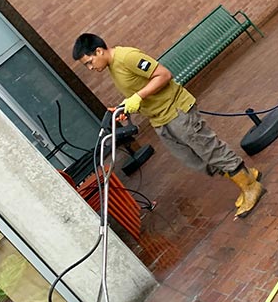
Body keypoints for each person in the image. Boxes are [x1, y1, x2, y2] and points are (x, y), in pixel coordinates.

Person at [72, 33, 265, 220]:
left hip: (176, 111)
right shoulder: (113, 67)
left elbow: (163, 74)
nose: (90, 68)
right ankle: (246, 175)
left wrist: (138, 97)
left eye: (89, 62)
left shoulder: (127, 57)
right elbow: (139, 89)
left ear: (98, 51)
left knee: (210, 150)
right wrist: (126, 106)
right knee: (195, 159)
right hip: (160, 119)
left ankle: (250, 186)